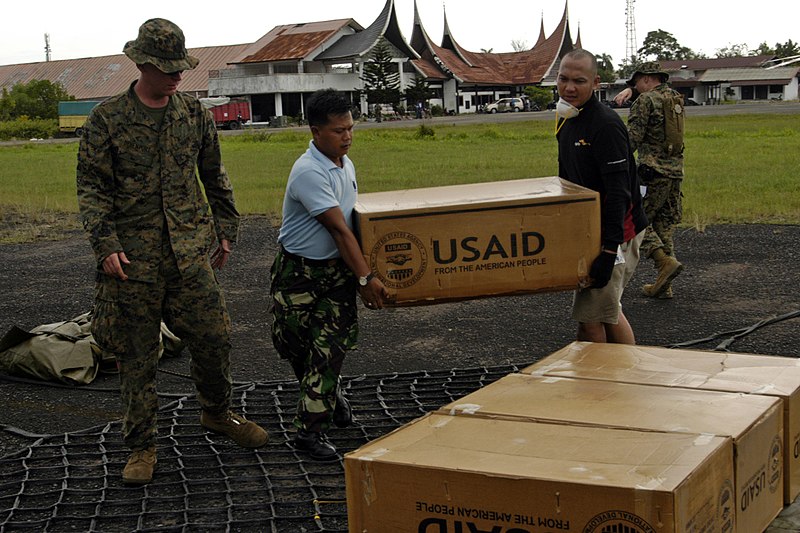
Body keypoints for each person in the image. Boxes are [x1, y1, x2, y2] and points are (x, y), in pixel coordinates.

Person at [76, 18, 268, 486]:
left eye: (181, 68)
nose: (178, 76)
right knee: (137, 354)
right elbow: (92, 189)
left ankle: (217, 412)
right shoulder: (108, 120)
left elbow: (214, 176)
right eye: (168, 69)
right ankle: (142, 445)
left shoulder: (194, 115)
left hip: (189, 251)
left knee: (214, 335)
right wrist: (106, 245)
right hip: (133, 261)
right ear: (142, 65)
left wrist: (226, 228)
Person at [270, 88, 389, 461]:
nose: (348, 136)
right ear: (315, 131)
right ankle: (329, 395)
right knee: (293, 346)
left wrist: (360, 276)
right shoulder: (308, 171)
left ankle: (308, 433)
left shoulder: (344, 163)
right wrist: (367, 279)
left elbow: (350, 227)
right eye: (339, 130)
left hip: (336, 273)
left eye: (351, 128)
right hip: (298, 274)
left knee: (329, 351)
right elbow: (339, 230)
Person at [555, 49, 649, 344]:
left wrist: (609, 251)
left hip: (618, 231)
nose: (569, 87)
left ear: (596, 83)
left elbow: (619, 193)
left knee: (592, 320)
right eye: (563, 78)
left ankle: (610, 381)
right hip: (591, 229)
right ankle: (621, 376)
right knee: (606, 311)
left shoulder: (605, 125)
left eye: (579, 81)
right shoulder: (566, 118)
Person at [617, 62, 685, 298]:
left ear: (646, 78)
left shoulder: (645, 101)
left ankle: (663, 262)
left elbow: (632, 140)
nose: (635, 87)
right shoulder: (675, 98)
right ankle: (664, 284)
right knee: (664, 226)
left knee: (637, 222)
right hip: (675, 172)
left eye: (636, 82)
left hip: (651, 173)